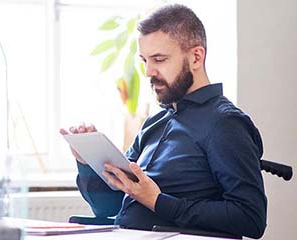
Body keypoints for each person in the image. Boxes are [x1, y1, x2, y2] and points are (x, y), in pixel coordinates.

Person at [60, 3, 267, 239]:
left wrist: (158, 202)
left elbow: (251, 218)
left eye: (159, 59)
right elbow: (109, 208)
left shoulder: (225, 123)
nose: (148, 72)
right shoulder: (154, 123)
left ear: (196, 57)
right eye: (144, 60)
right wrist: (87, 164)